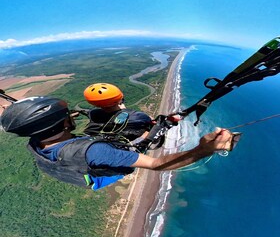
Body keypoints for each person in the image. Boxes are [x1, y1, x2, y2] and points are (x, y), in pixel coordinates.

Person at [1, 96, 234, 190]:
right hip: (98, 168)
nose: (71, 116)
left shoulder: (36, 138)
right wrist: (204, 149)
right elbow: (158, 165)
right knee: (135, 126)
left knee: (116, 128)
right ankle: (145, 135)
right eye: (66, 117)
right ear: (60, 125)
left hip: (71, 162)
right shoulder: (98, 152)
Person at [82, 83, 153, 142]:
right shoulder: (136, 116)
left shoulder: (93, 114)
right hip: (125, 147)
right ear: (120, 99)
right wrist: (125, 111)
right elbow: (150, 120)